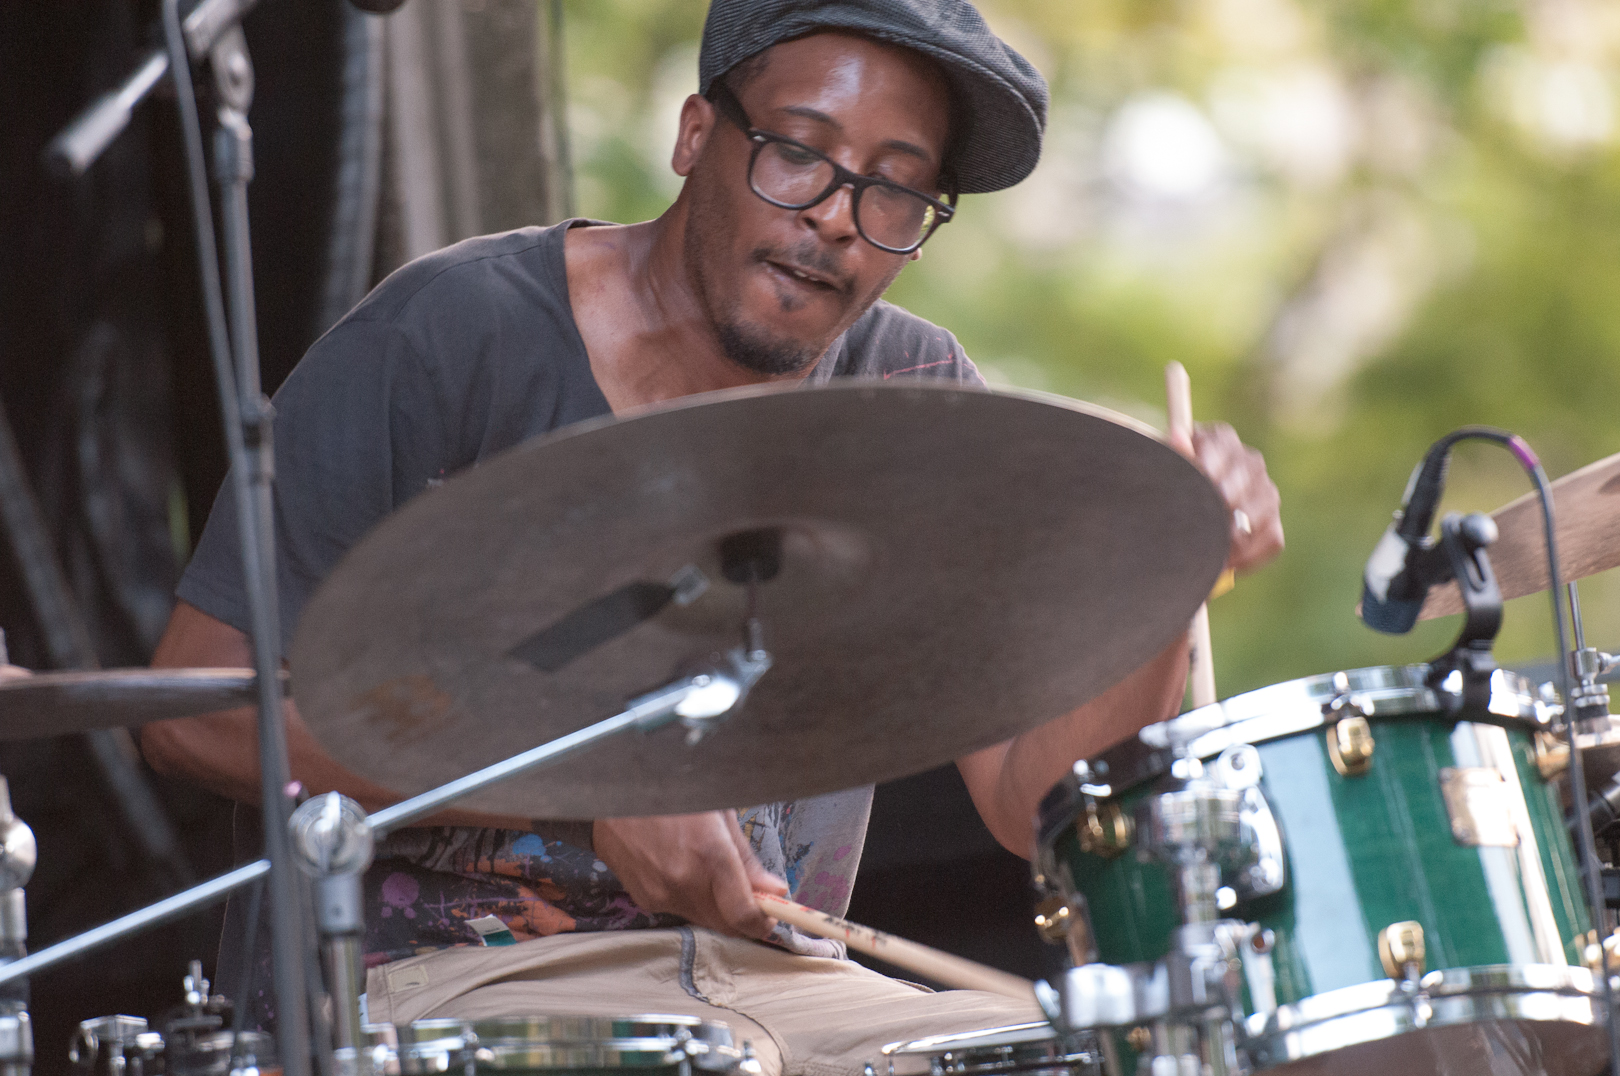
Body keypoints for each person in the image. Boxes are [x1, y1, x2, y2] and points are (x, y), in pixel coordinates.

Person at [140, 0, 1284, 1072]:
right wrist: (581, 786)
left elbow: (1036, 806)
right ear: (696, 135)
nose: (837, 216)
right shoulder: (450, 333)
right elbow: (193, 712)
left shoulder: (918, 396)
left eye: (896, 190)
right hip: (440, 992)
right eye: (800, 152)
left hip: (780, 991)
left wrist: (1172, 576)